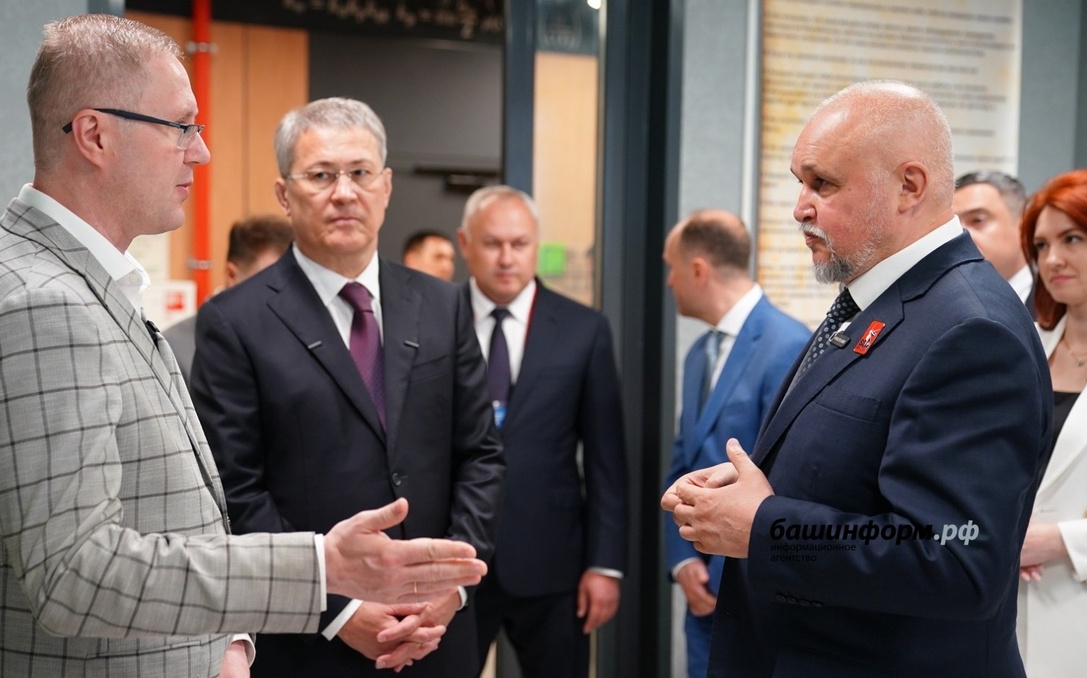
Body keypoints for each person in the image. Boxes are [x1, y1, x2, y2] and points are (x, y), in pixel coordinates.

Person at [0, 15, 486, 678]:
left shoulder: (76, 282)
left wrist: (228, 641)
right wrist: (320, 569)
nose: (201, 152)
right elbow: (76, 575)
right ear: (95, 135)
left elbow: (175, 509)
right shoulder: (40, 306)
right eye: (180, 127)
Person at [661, 80, 1052, 676]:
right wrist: (746, 494)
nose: (800, 207)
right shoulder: (874, 302)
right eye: (800, 183)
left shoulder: (971, 328)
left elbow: (954, 558)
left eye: (823, 184)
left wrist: (763, 526)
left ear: (909, 186)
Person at [191, 97, 504, 677]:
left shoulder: (443, 304)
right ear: (284, 194)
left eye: (360, 172)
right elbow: (236, 490)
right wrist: (337, 611)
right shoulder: (235, 322)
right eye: (320, 175)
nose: (344, 193)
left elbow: (480, 454)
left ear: (386, 186)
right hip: (311, 646)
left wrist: (452, 587)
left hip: (438, 635)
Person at [455, 185, 628, 678]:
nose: (507, 258)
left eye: (520, 243)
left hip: (553, 560)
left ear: (535, 244)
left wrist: (605, 564)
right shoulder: (434, 320)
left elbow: (607, 460)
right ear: (465, 243)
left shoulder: (583, 328)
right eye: (492, 244)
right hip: (454, 554)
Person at [660, 209, 809, 678]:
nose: (669, 281)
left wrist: (722, 568)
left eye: (671, 268)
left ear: (698, 270)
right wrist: (682, 561)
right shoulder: (697, 355)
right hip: (701, 592)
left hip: (756, 592)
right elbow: (682, 463)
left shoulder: (791, 345)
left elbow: (788, 480)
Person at [1015, 169, 1087, 676]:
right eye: (1042, 245)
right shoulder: (1023, 346)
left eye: (1073, 239)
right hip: (1006, 604)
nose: (1052, 260)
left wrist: (1064, 540)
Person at [166, 213, 294, 384]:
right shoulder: (174, 349)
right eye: (271, 281)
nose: (284, 293)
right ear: (232, 275)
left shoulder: (297, 339)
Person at [954, 170, 1034, 309]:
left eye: (977, 220)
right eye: (953, 225)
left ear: (1024, 224)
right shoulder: (950, 302)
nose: (960, 234)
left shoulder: (1058, 301)